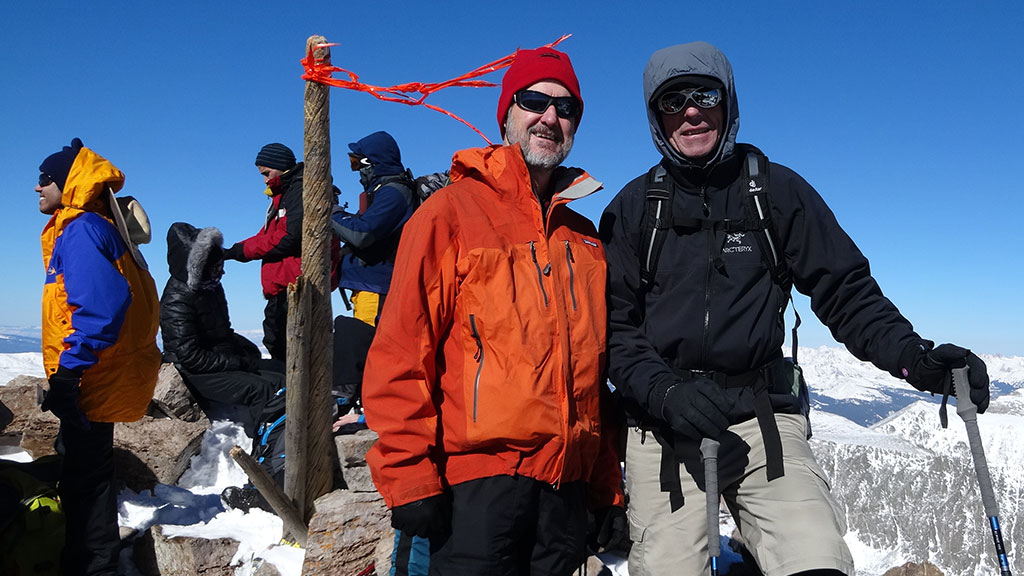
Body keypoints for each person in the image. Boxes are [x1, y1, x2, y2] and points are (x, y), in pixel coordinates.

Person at [600, 41, 991, 576]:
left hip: (762, 419)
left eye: (704, 94)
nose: (690, 111)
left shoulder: (775, 193)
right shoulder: (633, 210)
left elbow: (846, 293)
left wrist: (916, 359)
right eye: (672, 102)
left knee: (816, 562)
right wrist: (666, 393)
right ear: (656, 118)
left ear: (728, 101)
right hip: (665, 427)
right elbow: (614, 331)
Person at [362, 46, 626, 575]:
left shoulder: (585, 240)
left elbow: (591, 380)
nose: (551, 117)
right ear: (506, 112)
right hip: (478, 492)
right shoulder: (450, 214)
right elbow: (400, 352)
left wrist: (605, 490)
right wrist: (410, 477)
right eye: (534, 101)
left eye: (566, 107)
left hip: (565, 495)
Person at [36, 138, 162, 575]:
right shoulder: (100, 225)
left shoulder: (82, 229)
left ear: (67, 183)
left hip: (92, 376)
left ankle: (93, 567)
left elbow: (102, 307)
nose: (37, 188)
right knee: (86, 472)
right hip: (102, 372)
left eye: (44, 178)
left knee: (85, 483)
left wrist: (69, 373)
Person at [330, 131, 426, 575]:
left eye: (359, 163)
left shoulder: (392, 192)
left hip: (380, 289)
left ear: (376, 161)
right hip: (370, 290)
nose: (358, 171)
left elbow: (363, 236)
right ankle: (360, 406)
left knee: (368, 349)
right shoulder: (386, 190)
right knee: (362, 346)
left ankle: (360, 408)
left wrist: (330, 213)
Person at [159, 222, 284, 436]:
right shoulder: (177, 301)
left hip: (216, 360)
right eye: (216, 267)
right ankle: (265, 448)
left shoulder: (210, 287)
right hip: (193, 372)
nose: (222, 271)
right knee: (262, 389)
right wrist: (236, 362)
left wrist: (244, 351)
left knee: (282, 373)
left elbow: (222, 331)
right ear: (200, 268)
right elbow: (189, 356)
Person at [223, 143, 340, 363]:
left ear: (280, 167)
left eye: (267, 173)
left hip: (296, 284)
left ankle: (291, 395)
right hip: (286, 285)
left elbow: (290, 237)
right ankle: (287, 393)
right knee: (279, 342)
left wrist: (238, 252)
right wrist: (233, 251)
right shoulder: (286, 193)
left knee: (290, 347)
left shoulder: (300, 190)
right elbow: (267, 234)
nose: (265, 180)